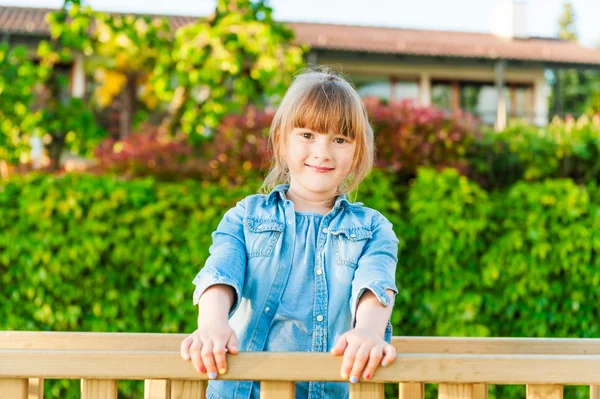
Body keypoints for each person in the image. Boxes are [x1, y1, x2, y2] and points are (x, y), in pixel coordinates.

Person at [180, 68, 399, 399]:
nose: (323, 152)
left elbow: (375, 286)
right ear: (281, 140)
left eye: (340, 140)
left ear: (356, 152)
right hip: (240, 392)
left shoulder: (372, 229)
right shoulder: (244, 216)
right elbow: (220, 273)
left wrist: (368, 332)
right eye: (308, 135)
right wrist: (212, 323)